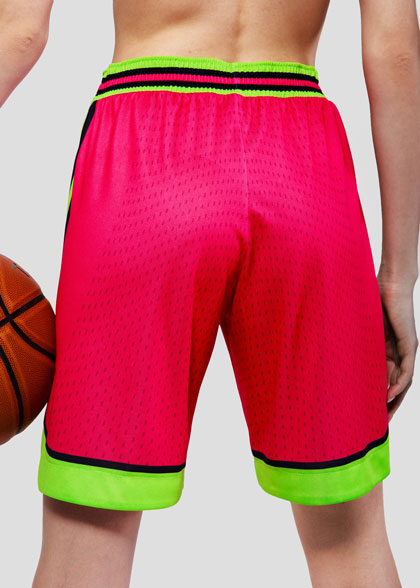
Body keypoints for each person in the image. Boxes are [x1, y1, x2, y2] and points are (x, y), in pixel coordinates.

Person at [1, 1, 419, 586]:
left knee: (87, 537)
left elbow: (19, 32)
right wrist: (399, 276)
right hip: (302, 167)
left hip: (144, 160)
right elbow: (396, 51)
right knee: (350, 540)